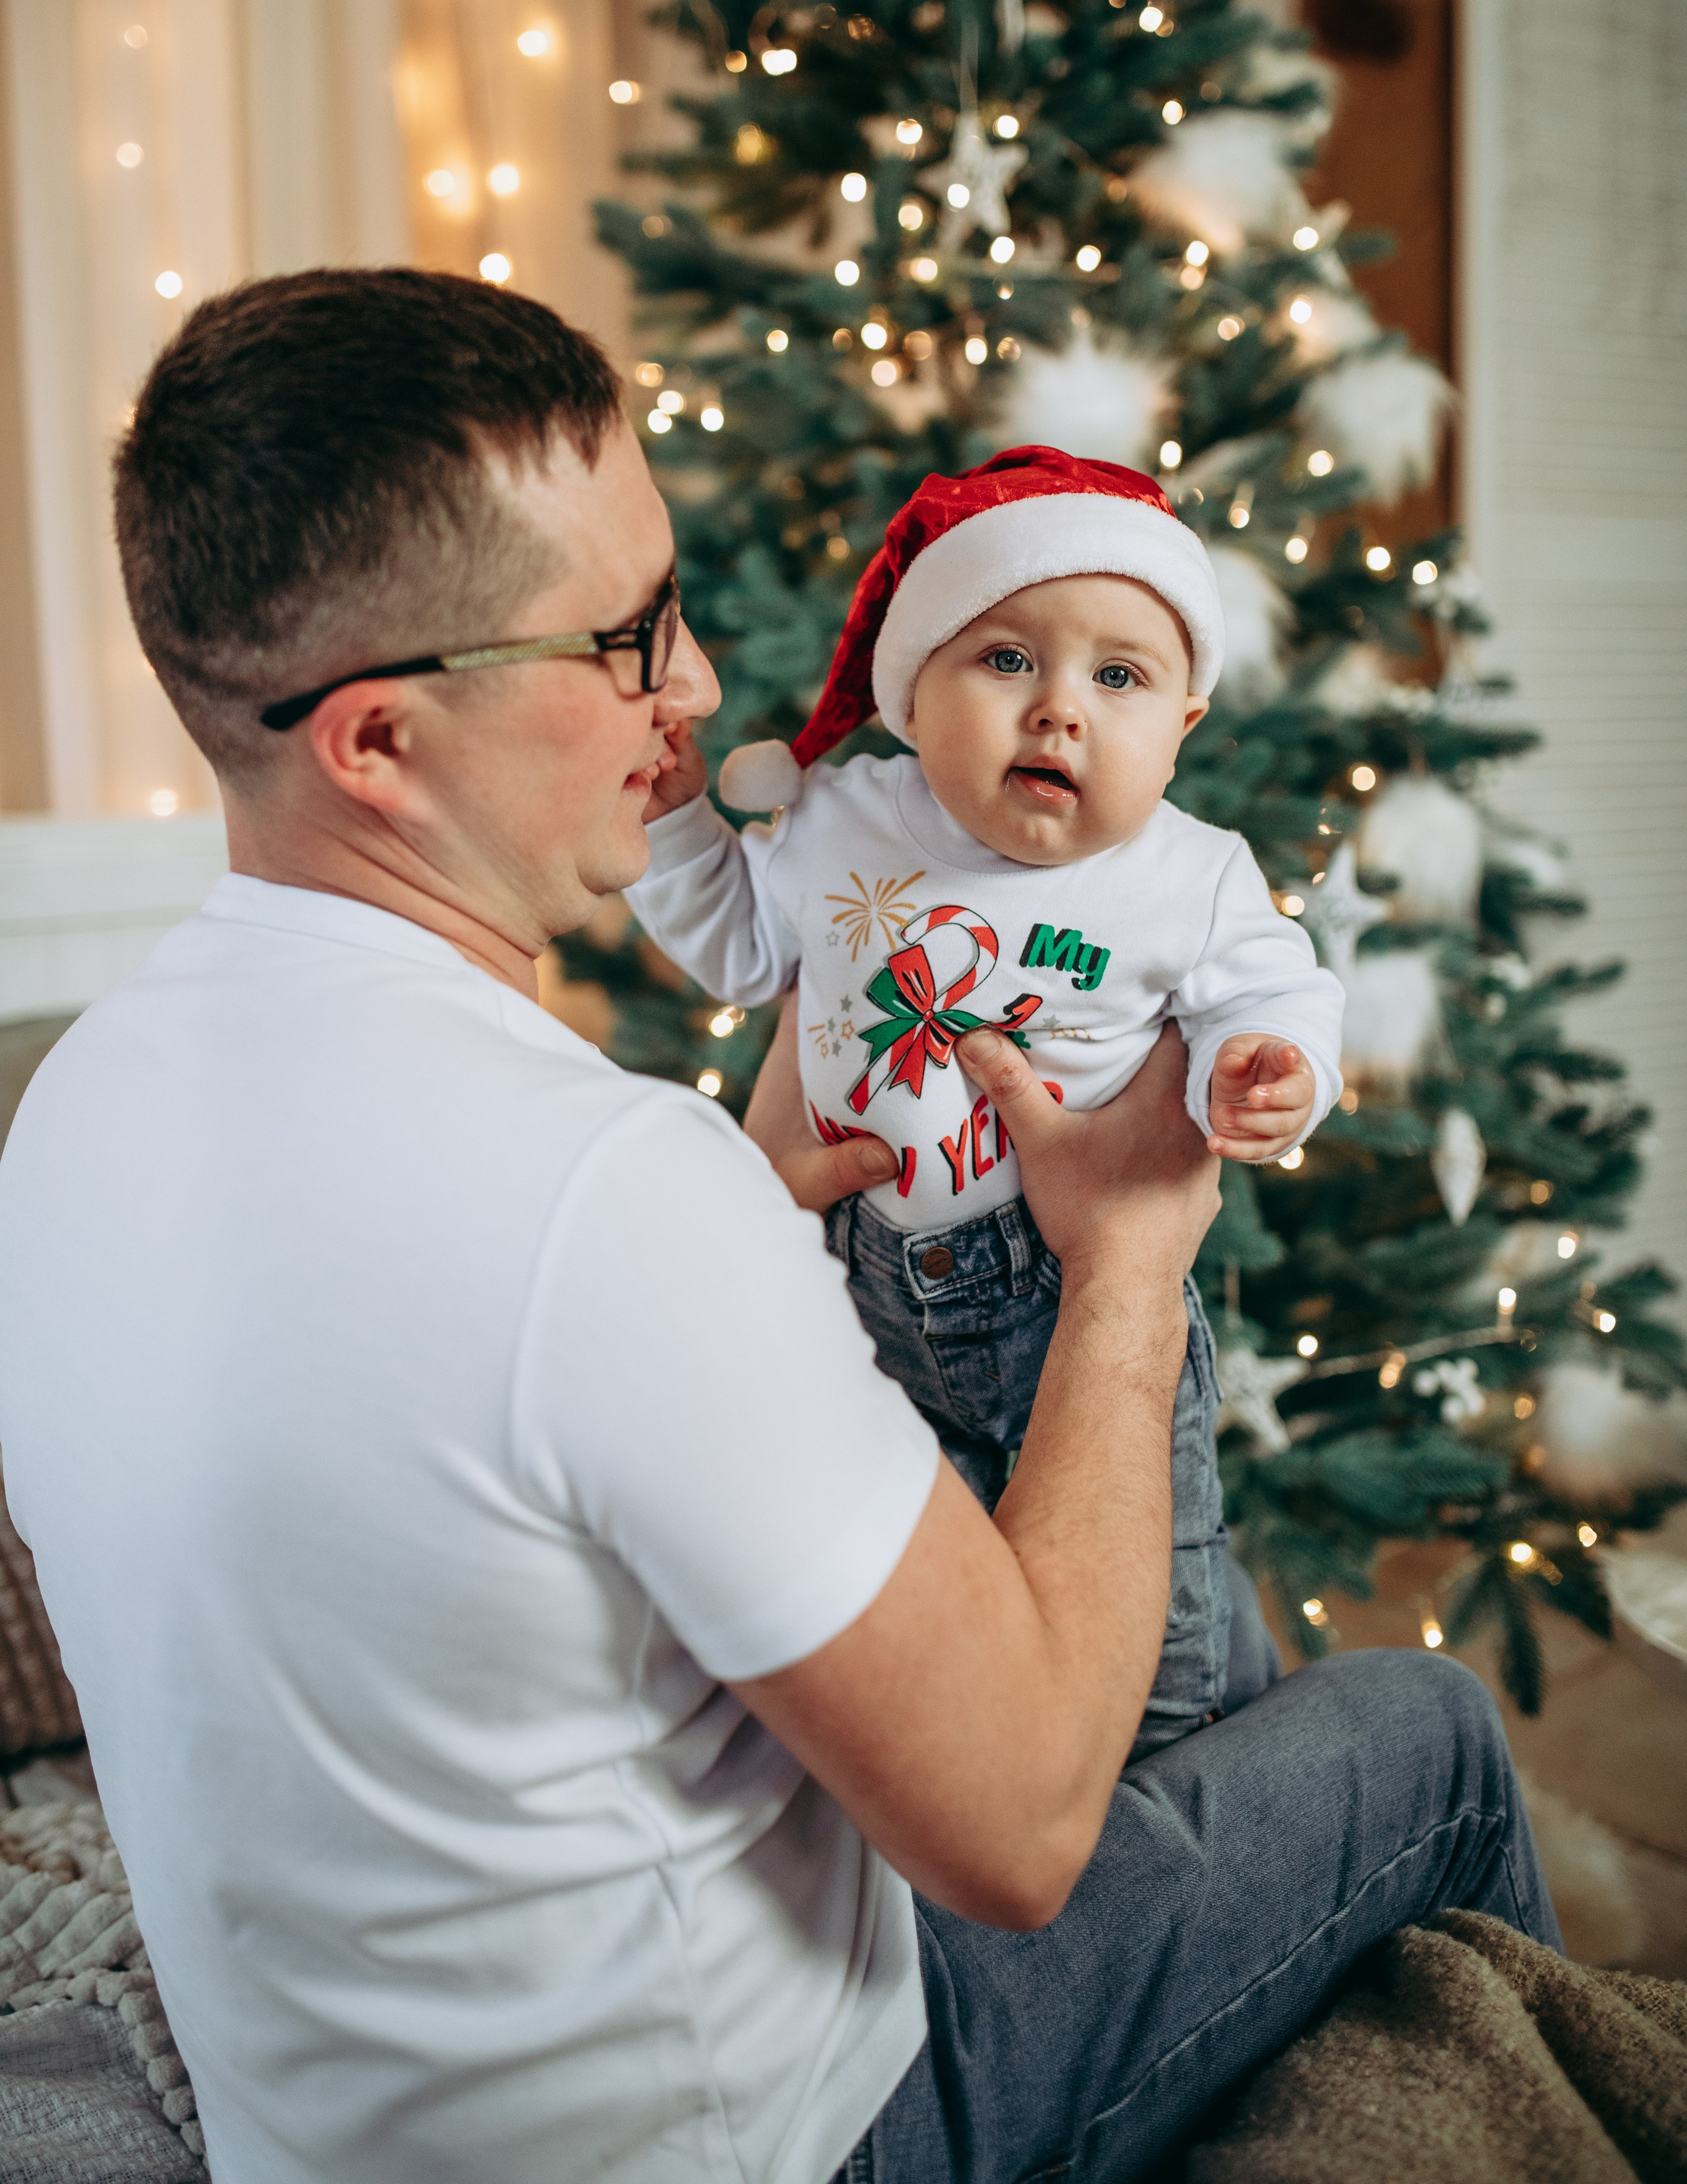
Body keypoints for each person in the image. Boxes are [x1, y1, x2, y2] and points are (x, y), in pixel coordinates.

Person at [0, 271, 1558, 2184]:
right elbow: (1021, 1826)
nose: (704, 694)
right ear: (381, 746)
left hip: (325, 2128)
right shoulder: (595, 1185)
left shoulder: (76, 1106)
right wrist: (1134, 1266)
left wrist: (721, 1236)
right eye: (624, 638)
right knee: (1431, 1728)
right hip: (782, 2140)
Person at [625, 445, 1344, 1758]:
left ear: (1182, 720)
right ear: (911, 688)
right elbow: (738, 948)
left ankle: (1171, 1777)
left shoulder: (1190, 876)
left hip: (1056, 1297)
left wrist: (1268, 1069)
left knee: (1155, 1609)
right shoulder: (846, 819)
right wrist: (678, 824)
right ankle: (981, 1773)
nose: (1058, 709)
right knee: (925, 1577)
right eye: (1006, 659)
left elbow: (1274, 993)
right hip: (861, 1286)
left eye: (1116, 677)